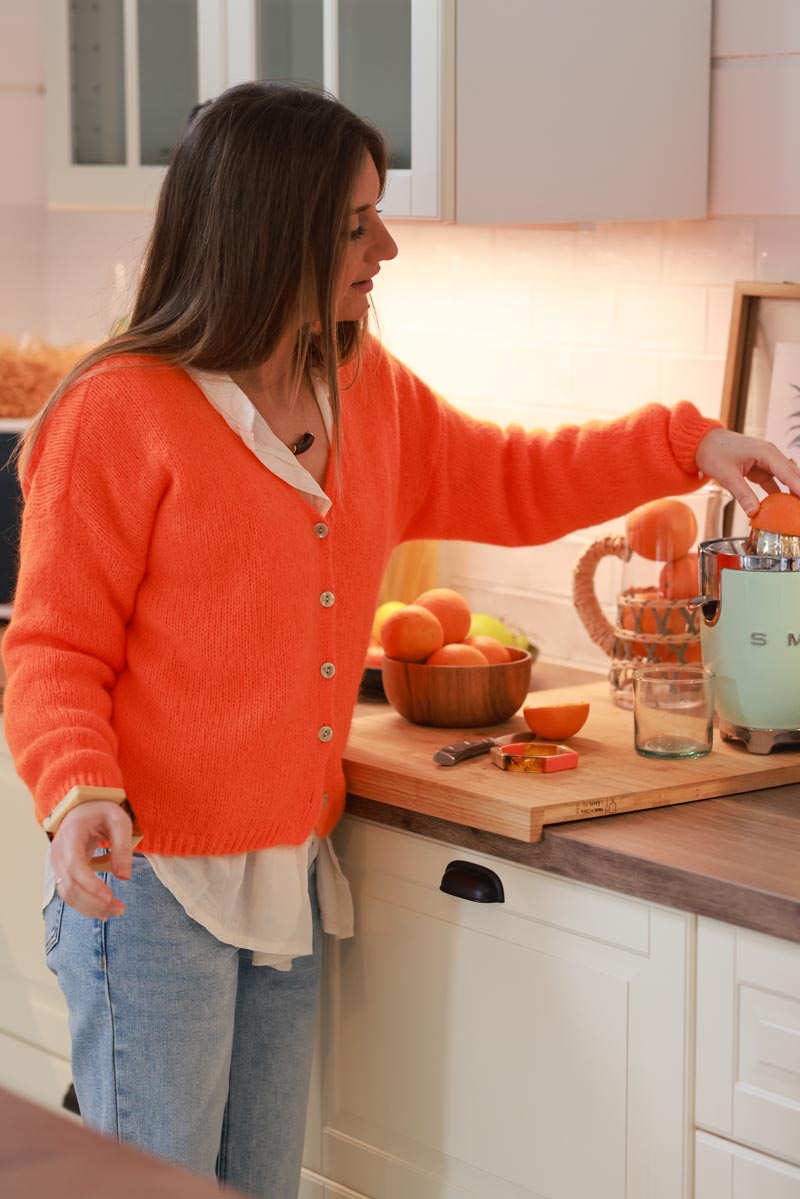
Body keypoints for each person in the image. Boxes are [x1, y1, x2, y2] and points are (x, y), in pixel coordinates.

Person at [3, 82, 799, 1199]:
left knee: (256, 1181)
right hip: (149, 883)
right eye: (351, 223)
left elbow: (516, 471)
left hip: (284, 868)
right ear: (264, 229)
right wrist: (78, 783)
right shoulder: (118, 410)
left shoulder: (360, 390)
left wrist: (687, 441)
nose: (385, 244)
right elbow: (51, 647)